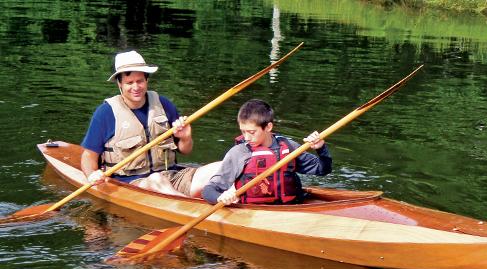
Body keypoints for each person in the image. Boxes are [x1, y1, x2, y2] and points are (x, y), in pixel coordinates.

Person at [80, 50, 219, 197]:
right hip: (132, 184)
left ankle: (230, 200)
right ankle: (187, 205)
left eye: (140, 81)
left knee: (220, 168)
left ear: (147, 80)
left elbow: (185, 150)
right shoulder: (105, 113)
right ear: (119, 84)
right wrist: (91, 175)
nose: (136, 87)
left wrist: (185, 138)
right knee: (156, 180)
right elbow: (88, 157)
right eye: (129, 83)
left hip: (172, 177)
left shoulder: (164, 105)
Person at [202, 99, 332, 205]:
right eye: (243, 131)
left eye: (252, 132)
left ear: (268, 127)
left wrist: (321, 148)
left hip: (291, 208)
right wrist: (220, 198)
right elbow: (209, 190)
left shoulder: (289, 148)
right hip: (253, 213)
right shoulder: (239, 153)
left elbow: (323, 169)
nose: (246, 137)